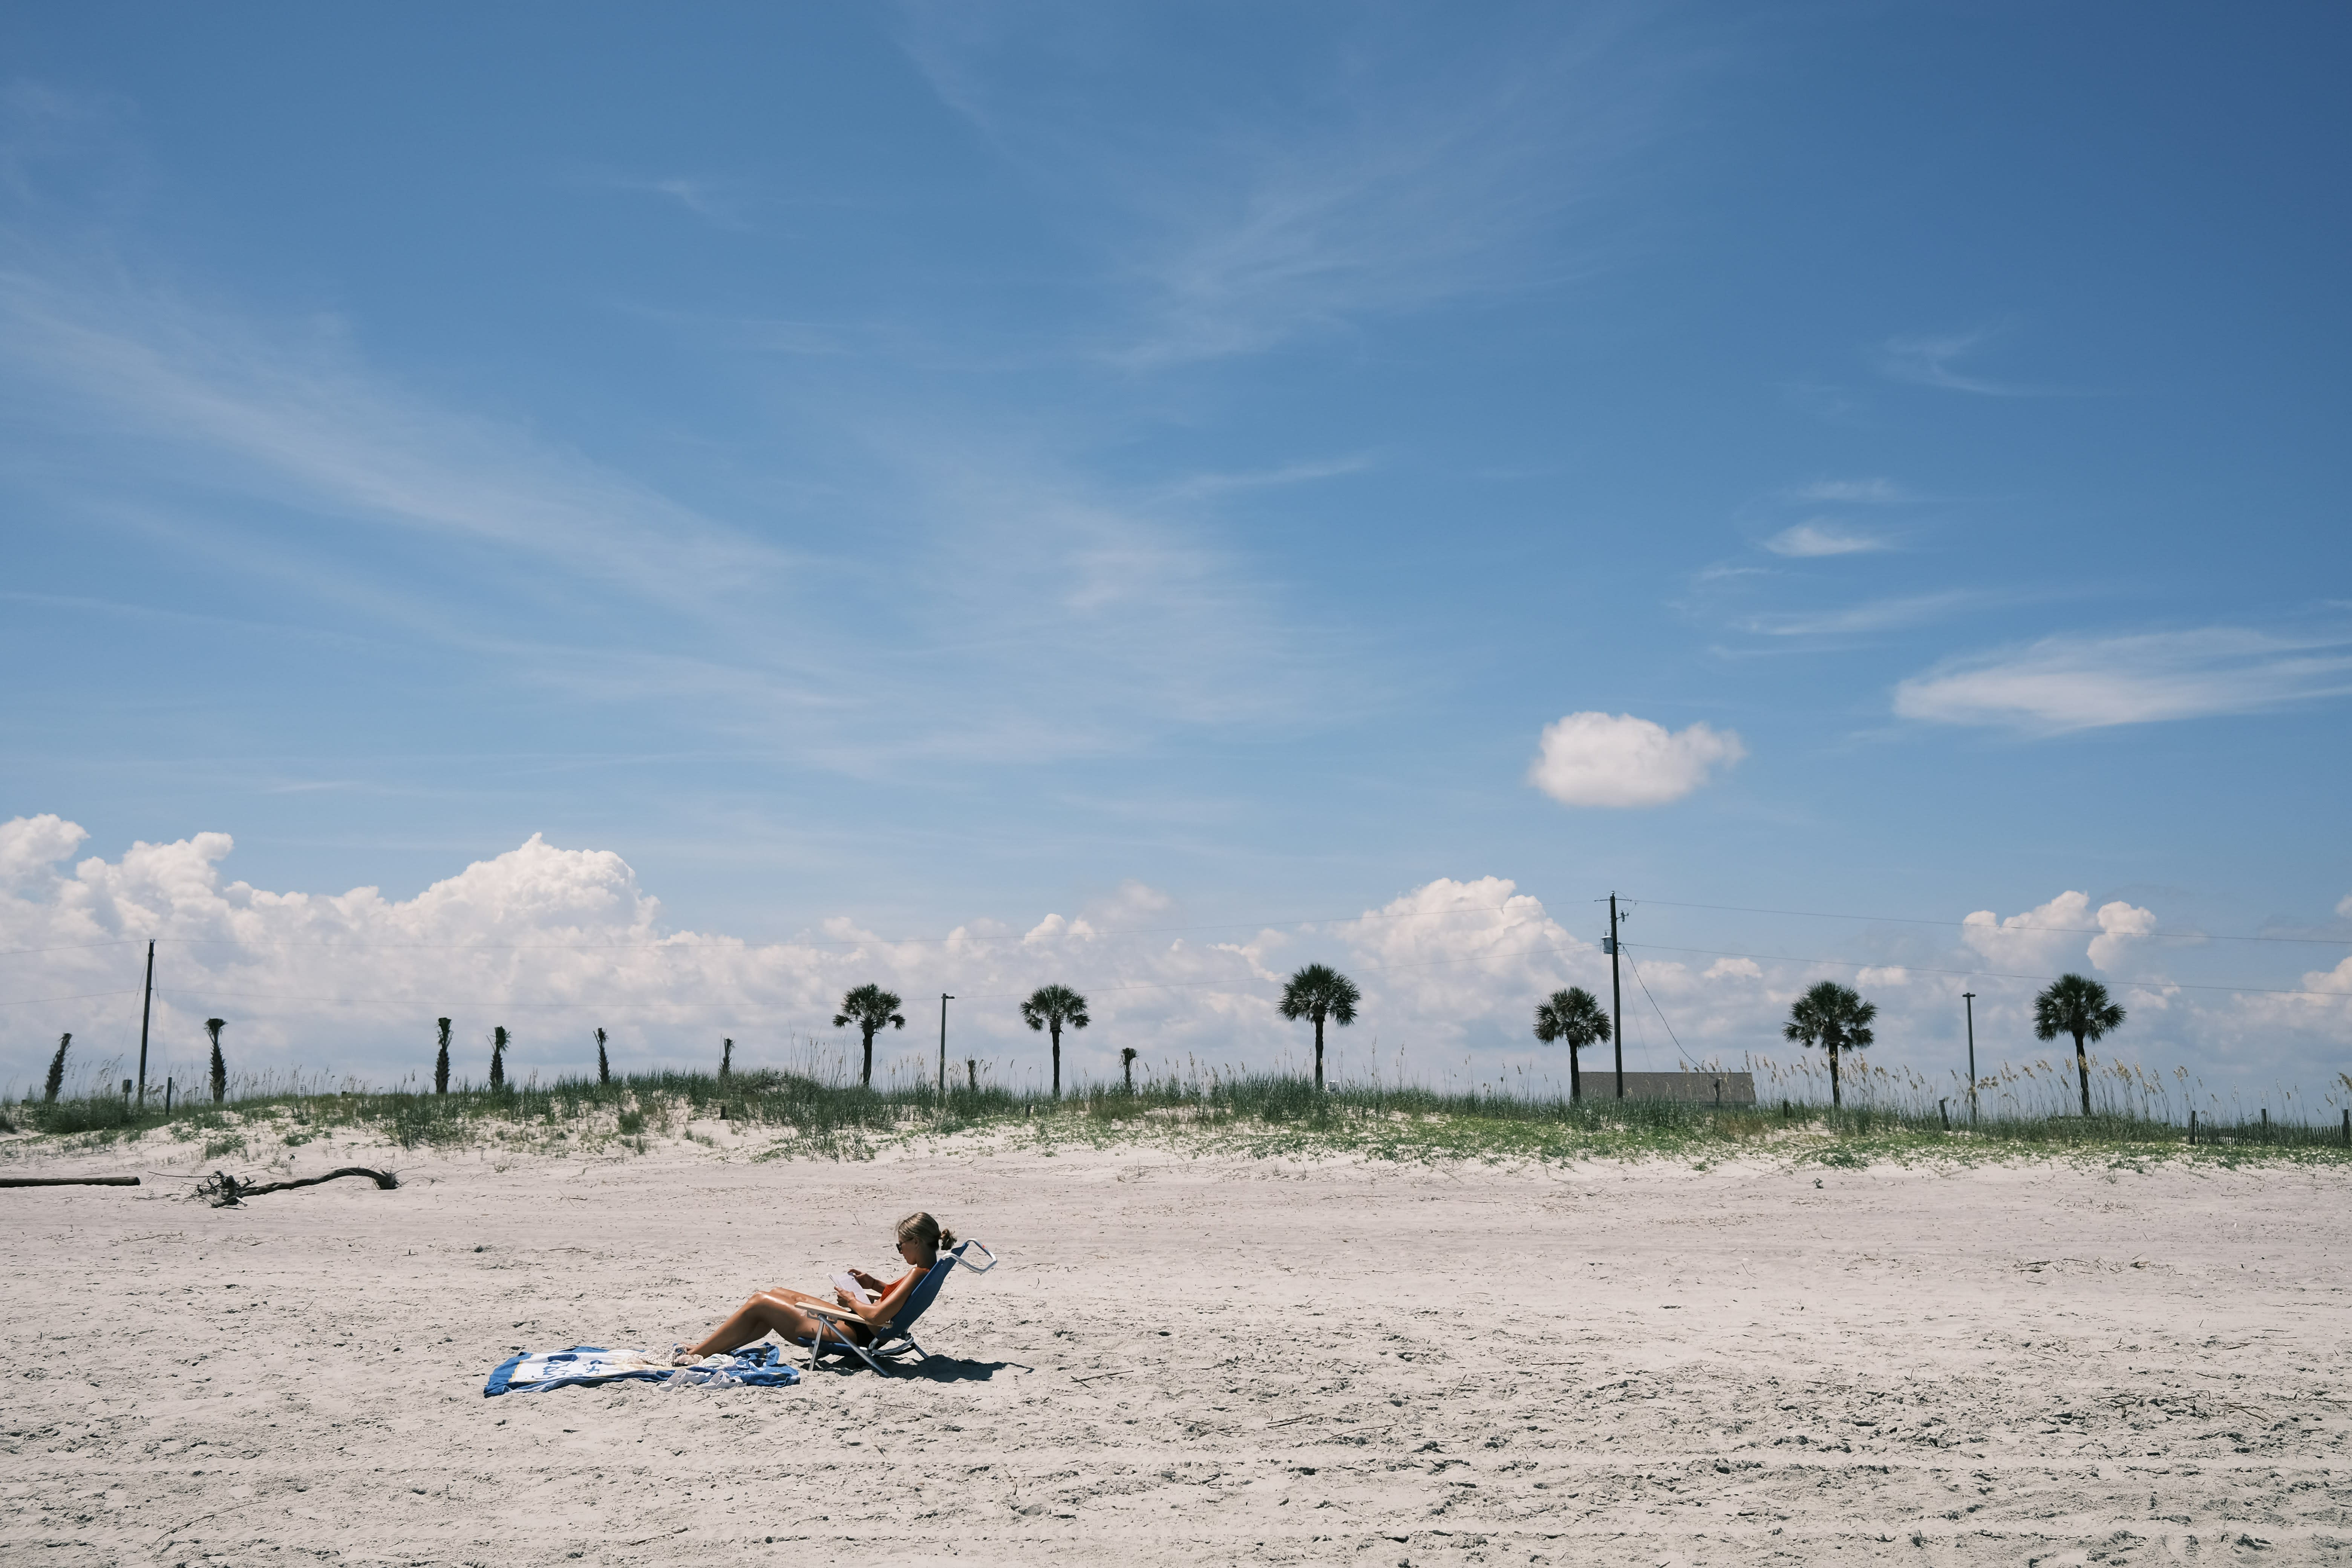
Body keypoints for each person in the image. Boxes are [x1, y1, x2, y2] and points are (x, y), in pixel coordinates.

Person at [674, 1211, 957, 1364]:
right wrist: (873, 1284)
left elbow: (876, 1317)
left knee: (761, 1302)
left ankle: (700, 1352)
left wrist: (851, 1299)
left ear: (916, 1242)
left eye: (901, 1245)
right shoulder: (928, 1271)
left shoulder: (918, 1272)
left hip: (855, 1332)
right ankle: (709, 1349)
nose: (900, 1251)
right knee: (780, 1294)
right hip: (858, 1326)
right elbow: (901, 1299)